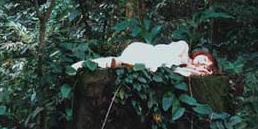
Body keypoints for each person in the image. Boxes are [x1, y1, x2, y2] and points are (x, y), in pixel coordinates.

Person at [71, 41, 217, 76]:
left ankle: (82, 66)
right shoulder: (184, 47)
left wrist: (199, 72)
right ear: (199, 54)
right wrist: (192, 67)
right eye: (203, 60)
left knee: (118, 62)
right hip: (146, 52)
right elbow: (172, 60)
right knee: (122, 61)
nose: (201, 64)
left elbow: (177, 70)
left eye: (206, 66)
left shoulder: (185, 70)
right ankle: (78, 66)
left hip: (148, 62)